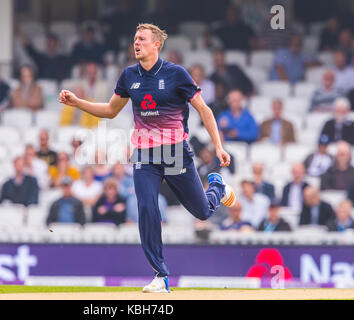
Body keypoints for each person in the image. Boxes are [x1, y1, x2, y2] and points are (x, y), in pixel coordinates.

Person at [58, 23, 236, 293]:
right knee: (146, 208)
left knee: (201, 211)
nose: (136, 43)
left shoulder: (176, 74)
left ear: (156, 45)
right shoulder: (129, 75)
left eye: (142, 39)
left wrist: (219, 146)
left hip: (175, 151)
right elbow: (110, 110)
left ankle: (217, 186)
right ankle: (160, 276)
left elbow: (204, 110)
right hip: (144, 153)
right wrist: (78, 102)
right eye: (134, 39)